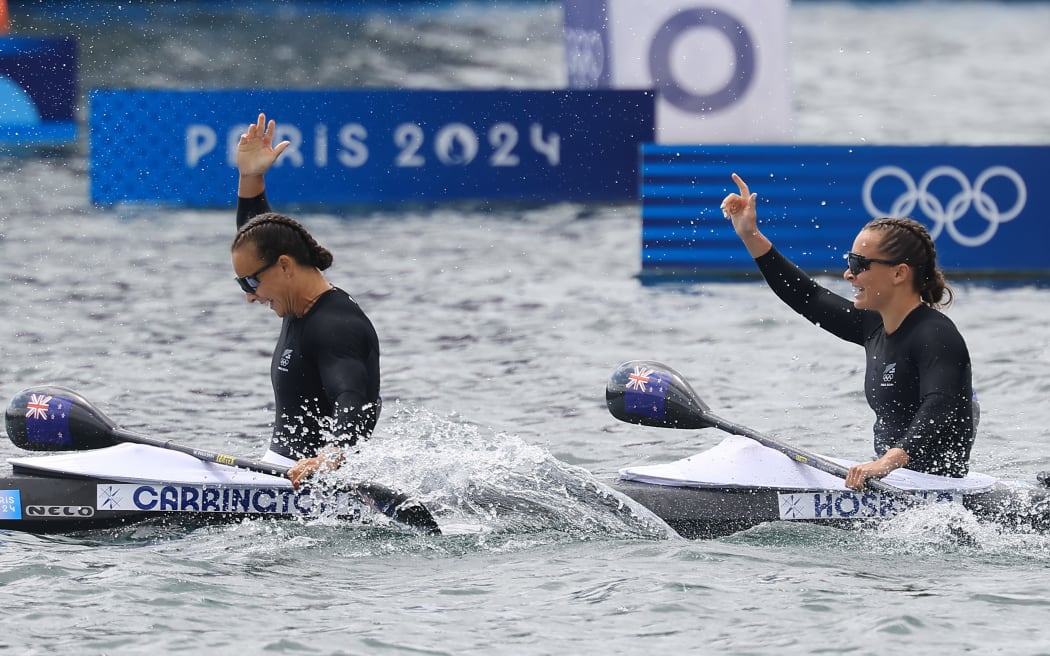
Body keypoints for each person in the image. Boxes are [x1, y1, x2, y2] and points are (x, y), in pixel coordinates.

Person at [720, 173, 975, 491]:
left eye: (859, 264)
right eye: (849, 261)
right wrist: (750, 235)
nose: (848, 274)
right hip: (889, 483)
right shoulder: (873, 325)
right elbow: (808, 297)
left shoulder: (936, 335)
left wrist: (885, 463)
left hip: (936, 492)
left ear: (899, 273)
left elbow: (941, 404)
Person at [232, 113, 381, 488]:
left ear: (284, 267)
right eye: (241, 283)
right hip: (279, 473)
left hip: (311, 487)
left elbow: (354, 398)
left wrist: (330, 458)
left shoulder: (336, 325)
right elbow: (259, 239)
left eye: (251, 282)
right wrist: (251, 178)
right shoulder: (298, 300)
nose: (251, 296)